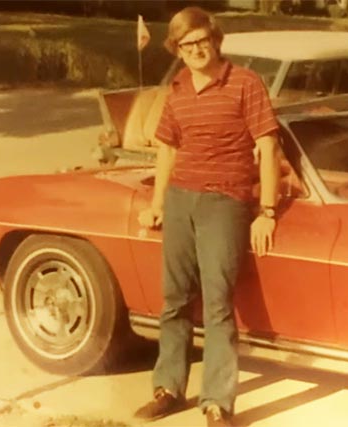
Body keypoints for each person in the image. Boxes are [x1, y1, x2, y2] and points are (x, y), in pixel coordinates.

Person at [133, 6, 280, 427]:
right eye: (186, 44)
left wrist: (266, 211)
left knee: (216, 304)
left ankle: (217, 403)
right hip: (181, 200)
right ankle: (168, 389)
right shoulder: (177, 87)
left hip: (225, 203)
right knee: (174, 299)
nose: (195, 50)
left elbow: (267, 147)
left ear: (215, 40)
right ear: (176, 50)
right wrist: (159, 203)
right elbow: (167, 149)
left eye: (201, 41)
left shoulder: (245, 83)